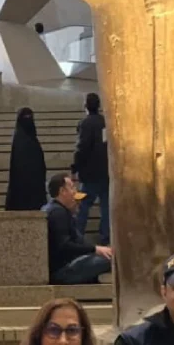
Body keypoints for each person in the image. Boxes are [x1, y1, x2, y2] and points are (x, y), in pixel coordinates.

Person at [44, 173, 112, 285]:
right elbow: (65, 245)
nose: (75, 191)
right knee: (112, 258)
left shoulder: (54, 209)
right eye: (72, 187)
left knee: (106, 255)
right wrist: (94, 249)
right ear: (62, 191)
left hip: (62, 267)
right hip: (63, 271)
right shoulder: (58, 213)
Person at [71, 92, 110, 245]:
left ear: (86, 106)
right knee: (106, 206)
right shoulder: (105, 122)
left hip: (89, 174)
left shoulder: (85, 124)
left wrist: (75, 167)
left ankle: (78, 235)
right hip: (106, 173)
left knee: (82, 204)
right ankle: (106, 237)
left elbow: (82, 148)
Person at [6, 107, 47, 211]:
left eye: (30, 117)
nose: (28, 119)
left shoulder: (22, 138)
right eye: (26, 117)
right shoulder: (23, 140)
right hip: (27, 188)